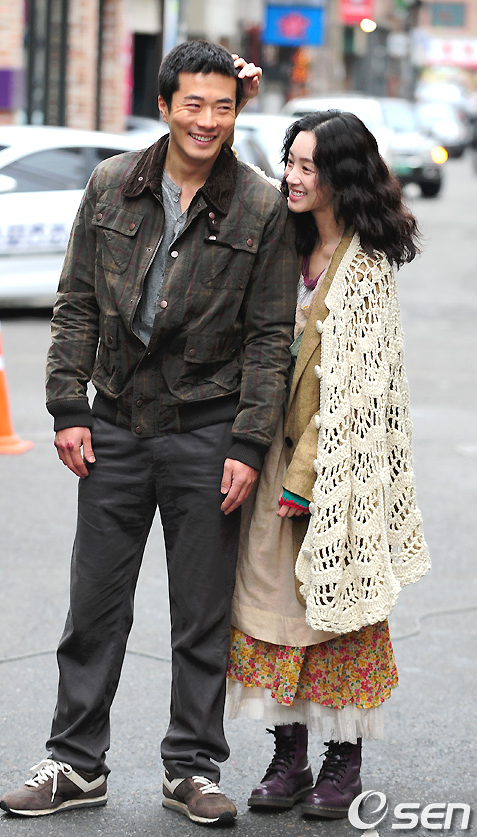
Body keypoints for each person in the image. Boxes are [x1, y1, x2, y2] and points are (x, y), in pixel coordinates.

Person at [0, 42, 298, 826]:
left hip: (209, 432)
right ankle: (75, 762)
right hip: (115, 426)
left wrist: (248, 442)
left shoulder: (259, 205)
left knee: (201, 614)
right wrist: (68, 406)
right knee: (94, 607)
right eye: (192, 104)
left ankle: (191, 767)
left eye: (223, 106)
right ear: (163, 106)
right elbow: (75, 301)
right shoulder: (111, 184)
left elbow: (271, 336)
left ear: (237, 112)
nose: (207, 120)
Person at [226, 110, 431, 819]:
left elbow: (358, 394)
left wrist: (306, 478)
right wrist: (233, 100)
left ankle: (344, 760)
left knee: (339, 610)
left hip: (337, 471)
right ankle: (288, 758)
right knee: (272, 610)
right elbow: (225, 174)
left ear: (341, 177)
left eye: (307, 166)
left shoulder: (365, 268)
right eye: (290, 160)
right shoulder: (282, 243)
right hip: (268, 457)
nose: (291, 176)